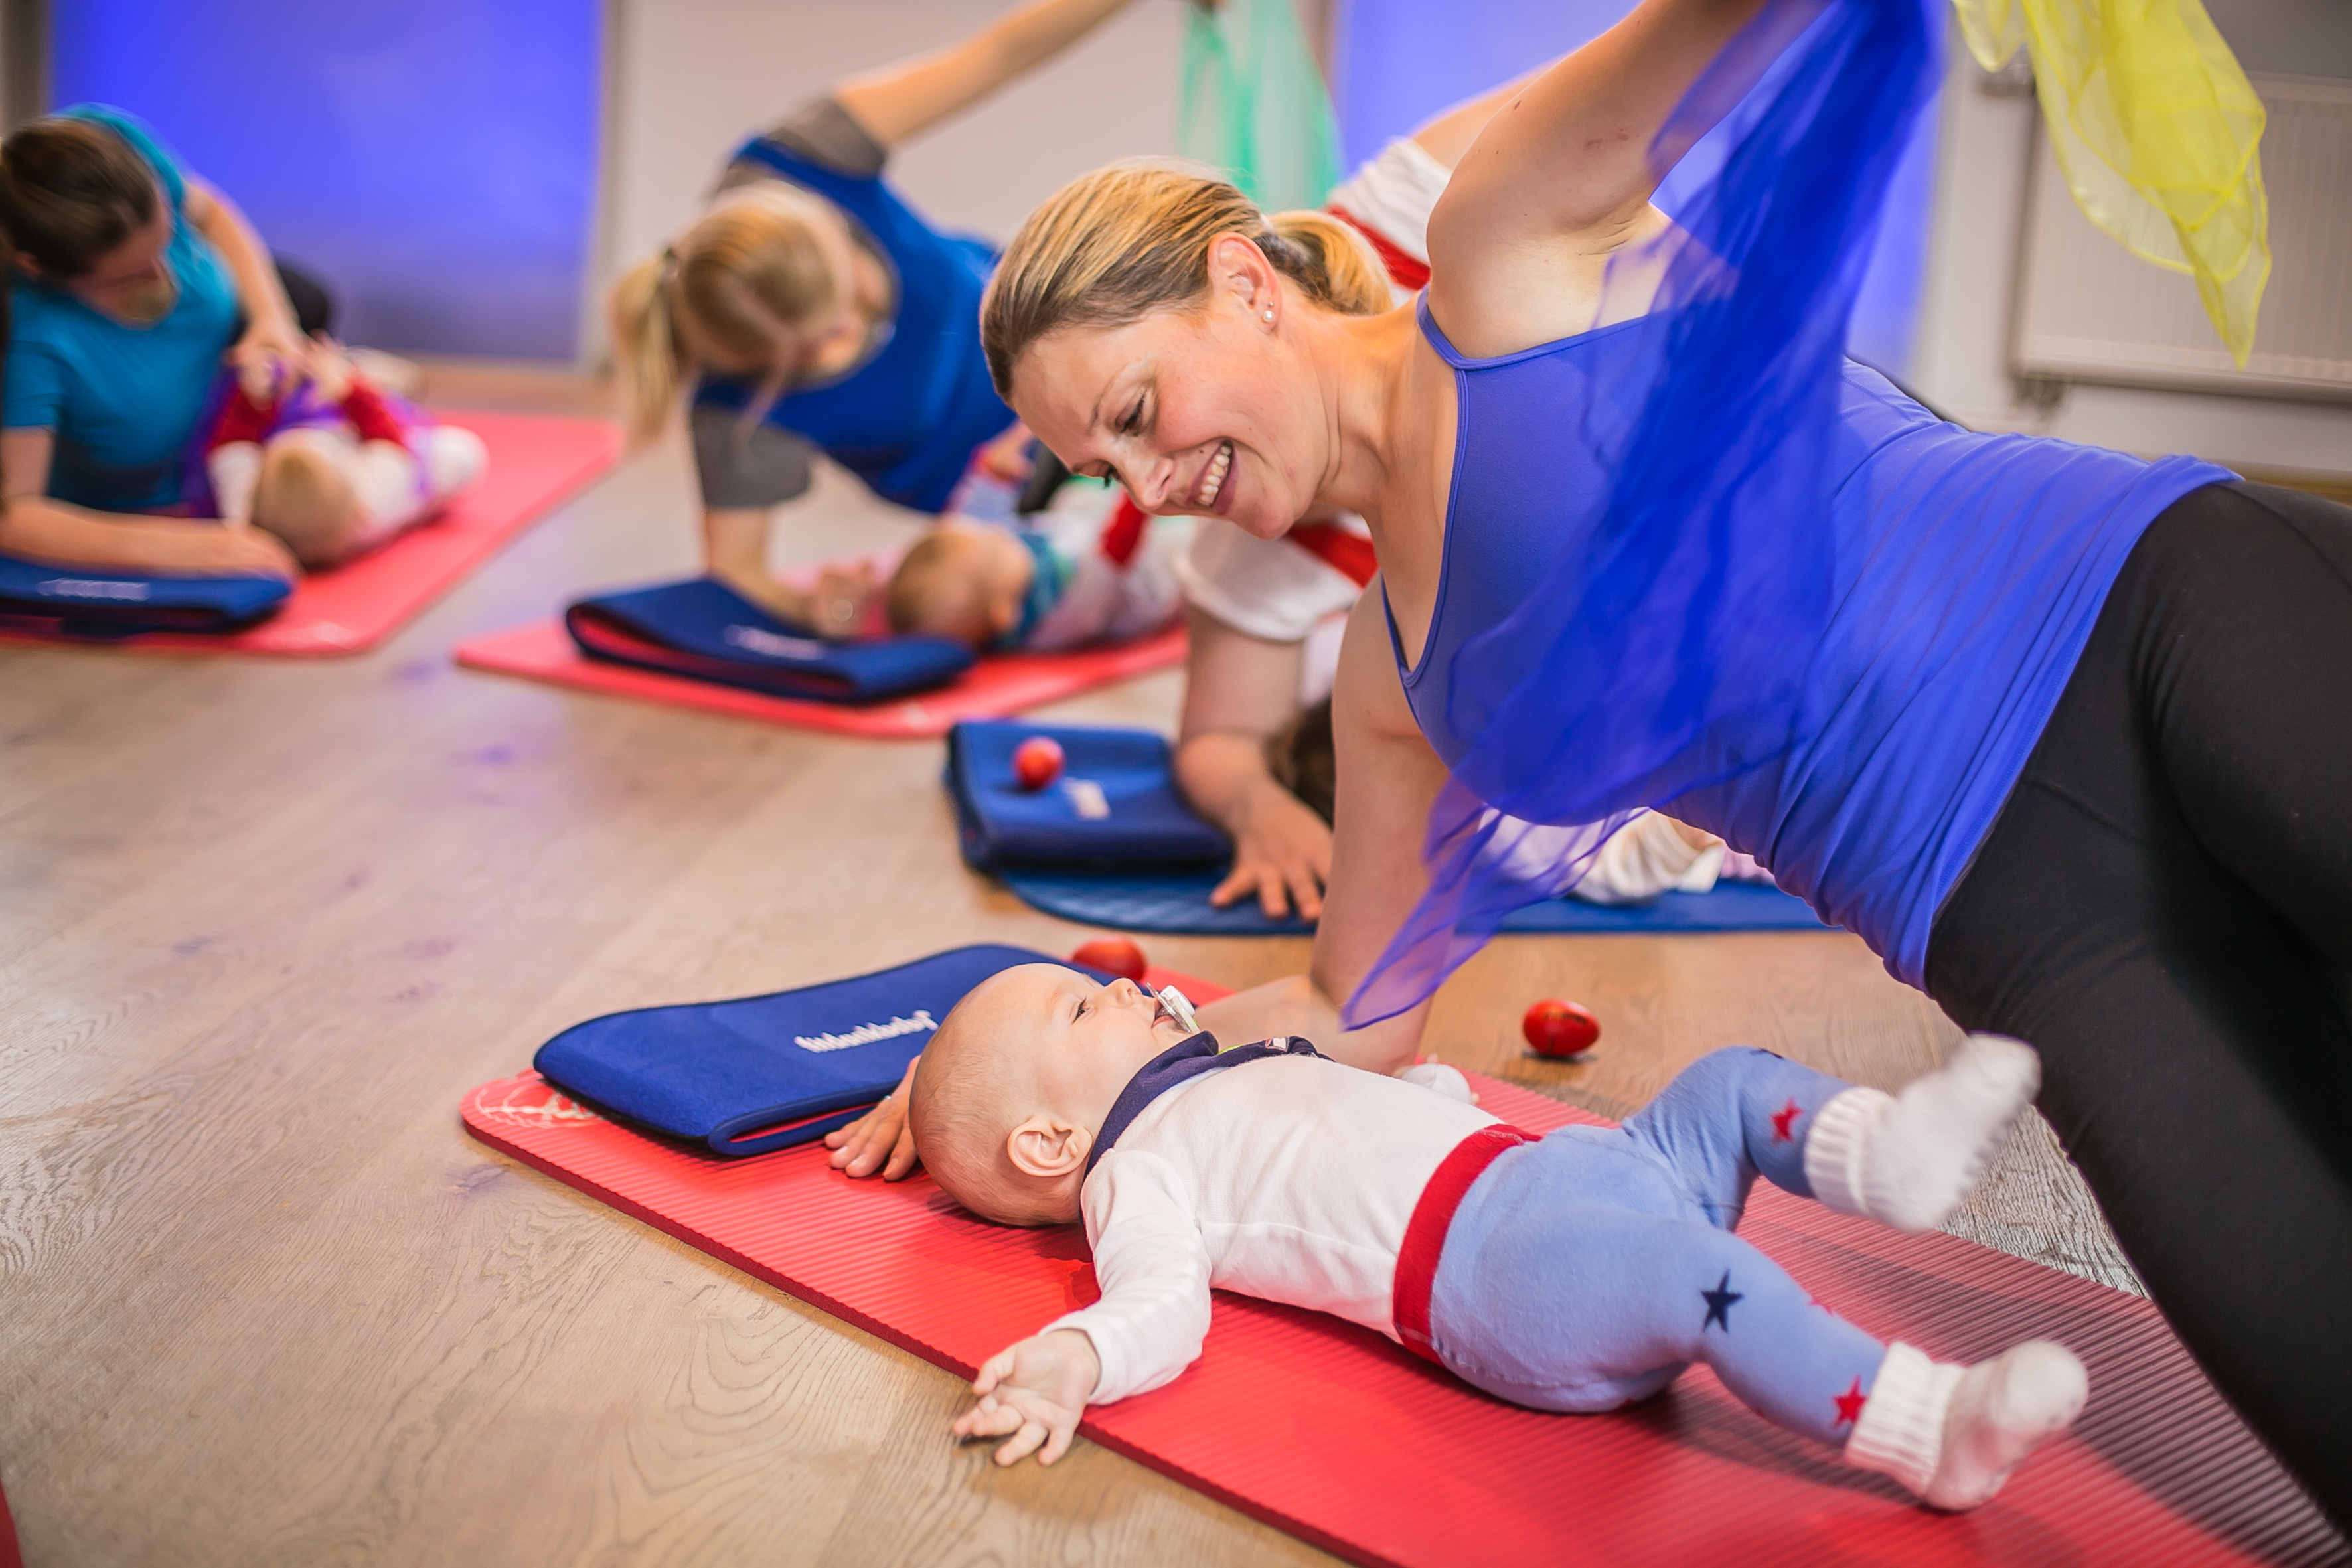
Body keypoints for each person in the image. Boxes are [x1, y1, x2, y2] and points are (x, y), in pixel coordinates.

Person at [973, 0, 2352, 1519]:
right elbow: (1343, 1011)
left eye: (1138, 416)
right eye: (1108, 473)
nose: (1153, 486)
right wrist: (1017, 1059)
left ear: (1242, 282)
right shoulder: (1386, 678)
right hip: (2026, 933)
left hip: (2149, 618)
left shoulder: (1510, 250)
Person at [914, 961, 2085, 1508]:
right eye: (1079, 1005)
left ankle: (1887, 1154)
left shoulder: (1200, 1078)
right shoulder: (1136, 1173)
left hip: (1562, 1173)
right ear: (1046, 1146)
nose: (1115, 987)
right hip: (1504, 1276)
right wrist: (1078, 1357)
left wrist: (1429, 1096)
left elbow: (1334, 1125)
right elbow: (1160, 1301)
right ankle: (1926, 1427)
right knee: (1708, 1273)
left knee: (1728, 1081)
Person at [607, 0, 1192, 632]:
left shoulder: (804, 159)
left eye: (852, 296)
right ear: (760, 366)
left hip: (1067, 336)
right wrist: (823, 607)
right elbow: (736, 576)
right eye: (818, 348)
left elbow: (1001, 51)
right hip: (1012, 497)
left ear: (829, 221)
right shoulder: (734, 413)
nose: (857, 335)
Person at [0, 106, 324, 578]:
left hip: (227, 407)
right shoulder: (38, 343)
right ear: (40, 269)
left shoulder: (118, 154)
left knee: (307, 301)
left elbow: (212, 213)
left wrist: (272, 321)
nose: (164, 273)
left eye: (168, 239)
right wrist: (177, 548)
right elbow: (15, 513)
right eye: (130, 275)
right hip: (163, 489)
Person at [201, 344, 485, 570]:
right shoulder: (374, 507)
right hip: (400, 459)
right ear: (357, 509)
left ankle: (343, 374)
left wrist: (254, 398)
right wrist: (349, 389)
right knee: (461, 452)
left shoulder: (242, 515)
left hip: (322, 419)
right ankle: (367, 372)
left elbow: (232, 445)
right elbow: (388, 439)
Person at [884, 490, 1188, 653]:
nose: (1001, 533)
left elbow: (974, 513)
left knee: (1073, 497)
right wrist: (1138, 497)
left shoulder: (1000, 573)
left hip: (1082, 535)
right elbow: (1113, 558)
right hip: (1142, 575)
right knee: (1188, 548)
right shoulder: (1056, 617)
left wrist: (995, 472)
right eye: (998, 544)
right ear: (1003, 613)